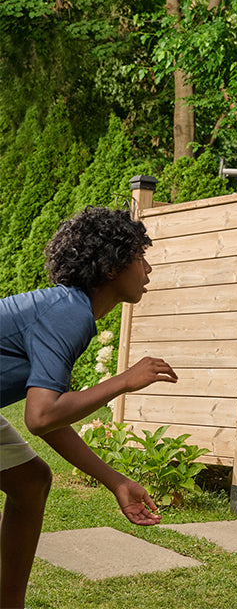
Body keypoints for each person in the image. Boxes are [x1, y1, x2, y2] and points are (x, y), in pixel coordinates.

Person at [0, 206, 178, 609]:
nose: (148, 268)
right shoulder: (67, 312)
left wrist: (116, 481)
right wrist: (124, 380)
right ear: (112, 266)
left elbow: (47, 418)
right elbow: (41, 416)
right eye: (138, 256)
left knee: (29, 482)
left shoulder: (67, 309)